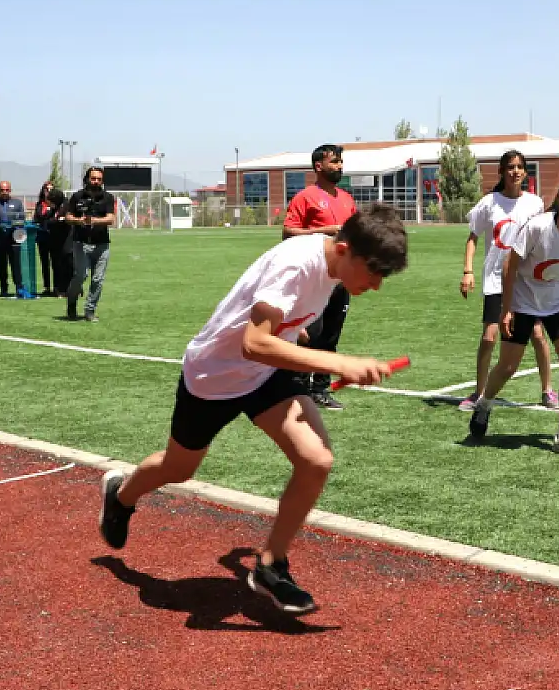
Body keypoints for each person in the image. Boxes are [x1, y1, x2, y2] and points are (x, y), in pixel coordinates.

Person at [98, 204, 410, 615]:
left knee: (315, 460)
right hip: (215, 376)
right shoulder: (298, 264)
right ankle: (121, 497)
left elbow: (274, 336)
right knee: (179, 467)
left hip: (265, 376)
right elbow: (254, 343)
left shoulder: (333, 271)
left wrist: (297, 334)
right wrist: (338, 362)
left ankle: (271, 565)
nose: (375, 285)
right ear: (345, 249)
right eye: (373, 272)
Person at [468, 175, 559, 459]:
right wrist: (506, 310)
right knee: (507, 367)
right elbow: (509, 266)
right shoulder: (539, 227)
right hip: (523, 302)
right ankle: (484, 404)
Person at [459, 150, 557, 413]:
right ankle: (479, 392)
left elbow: (542, 239)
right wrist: (468, 271)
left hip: (525, 281)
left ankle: (548, 390)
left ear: (525, 172)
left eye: (519, 167)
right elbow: (473, 237)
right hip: (495, 279)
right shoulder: (489, 203)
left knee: (537, 334)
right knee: (489, 337)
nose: (515, 171)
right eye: (510, 167)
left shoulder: (535, 204)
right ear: (502, 172)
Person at [281, 144, 357, 410]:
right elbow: (287, 233)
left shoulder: (347, 199)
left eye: (340, 161)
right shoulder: (305, 197)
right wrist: (327, 230)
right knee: (310, 334)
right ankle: (297, 389)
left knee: (331, 336)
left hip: (341, 278)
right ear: (318, 166)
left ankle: (320, 389)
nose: (339, 166)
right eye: (334, 162)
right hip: (315, 276)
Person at [63, 166, 117, 322]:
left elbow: (111, 219)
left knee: (98, 279)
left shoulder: (107, 197)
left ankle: (90, 310)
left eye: (99, 179)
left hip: (102, 244)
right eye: (93, 178)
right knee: (81, 275)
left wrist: (94, 221)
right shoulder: (77, 196)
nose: (96, 182)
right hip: (81, 243)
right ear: (87, 179)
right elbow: (68, 217)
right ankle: (71, 303)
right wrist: (80, 221)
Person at [0, 181, 27, 298]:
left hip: (14, 240)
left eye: (7, 190)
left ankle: (19, 288)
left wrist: (14, 224)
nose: (4, 192)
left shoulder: (17, 203)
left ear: (10, 190)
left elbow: (22, 218)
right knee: (2, 266)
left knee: (16, 265)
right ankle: (4, 288)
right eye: (2, 190)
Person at [33, 180, 66, 297]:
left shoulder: (58, 206)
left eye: (51, 189)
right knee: (44, 263)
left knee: (56, 263)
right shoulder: (40, 205)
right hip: (42, 237)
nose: (49, 191)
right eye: (47, 189)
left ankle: (57, 288)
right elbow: (37, 218)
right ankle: (46, 287)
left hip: (54, 237)